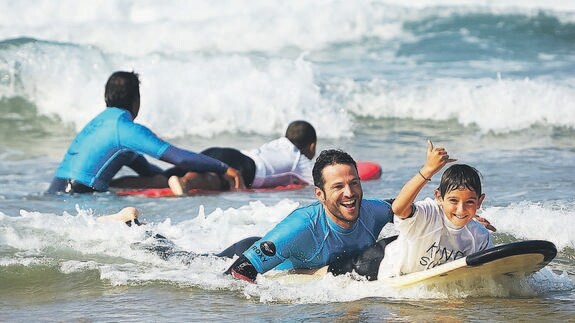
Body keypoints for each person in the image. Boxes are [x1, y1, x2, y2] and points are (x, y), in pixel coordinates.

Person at [47, 71, 244, 194]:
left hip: (56, 194)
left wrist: (172, 178)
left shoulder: (97, 124)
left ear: (106, 96)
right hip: (78, 198)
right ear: (136, 99)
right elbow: (179, 158)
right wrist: (222, 167)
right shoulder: (124, 129)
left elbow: (148, 171)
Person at [224, 149, 395, 283]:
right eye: (338, 187)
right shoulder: (301, 225)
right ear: (320, 194)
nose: (349, 193)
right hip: (246, 252)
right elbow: (237, 273)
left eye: (354, 183)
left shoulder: (373, 210)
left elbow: (407, 209)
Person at [375, 140, 494, 278]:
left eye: (469, 202)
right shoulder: (428, 213)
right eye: (453, 200)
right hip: (395, 278)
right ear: (439, 197)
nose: (461, 210)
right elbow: (398, 208)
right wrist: (428, 169)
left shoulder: (479, 235)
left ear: (480, 201)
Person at [166, 120, 317, 195]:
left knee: (164, 175)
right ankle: (185, 181)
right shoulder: (298, 159)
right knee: (214, 180)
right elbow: (321, 182)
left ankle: (153, 180)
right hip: (244, 167)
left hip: (225, 153)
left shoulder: (278, 143)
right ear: (311, 146)